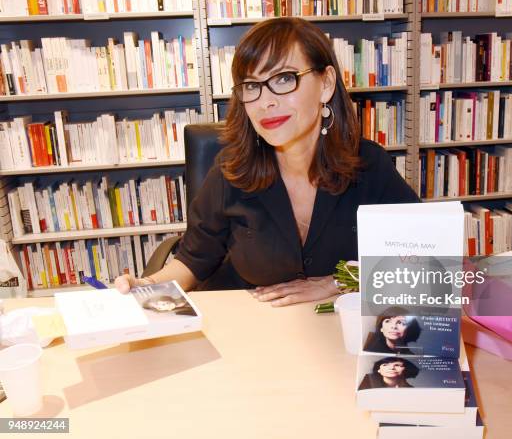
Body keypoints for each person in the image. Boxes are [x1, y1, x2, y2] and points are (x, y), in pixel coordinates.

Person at [115, 17, 419, 305]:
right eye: (251, 86)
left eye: (284, 78)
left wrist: (338, 282)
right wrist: (148, 285)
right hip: (253, 328)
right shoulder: (231, 170)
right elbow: (193, 260)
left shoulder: (368, 164)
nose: (265, 102)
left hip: (335, 329)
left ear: (325, 84)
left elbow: (421, 253)